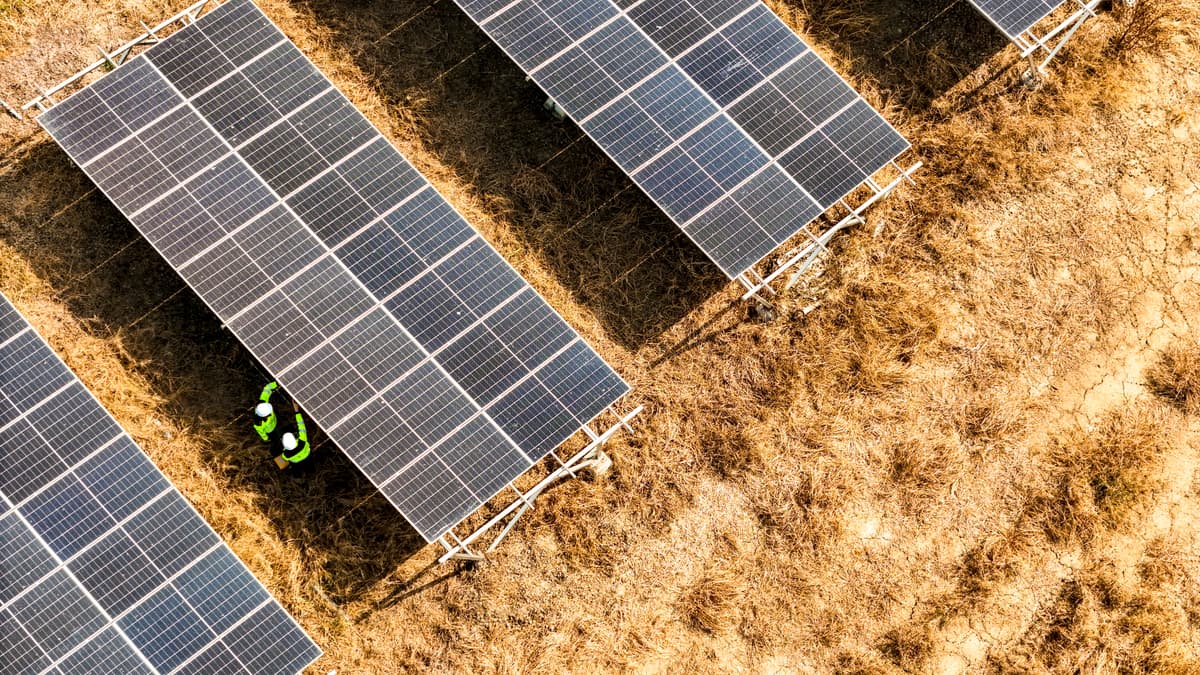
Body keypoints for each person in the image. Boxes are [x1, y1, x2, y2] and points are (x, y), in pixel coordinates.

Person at [272, 401, 310, 470]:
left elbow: (284, 457)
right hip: (305, 454)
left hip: (299, 459)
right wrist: (297, 411)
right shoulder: (302, 442)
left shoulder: (286, 455)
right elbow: (301, 425)